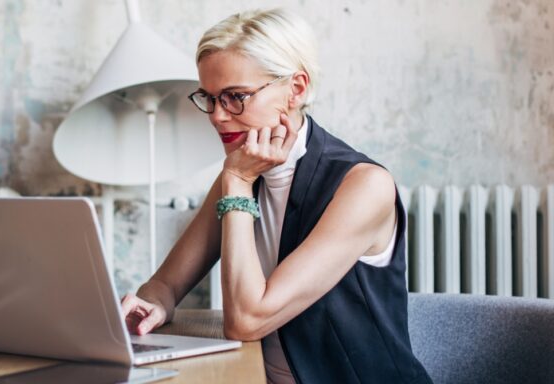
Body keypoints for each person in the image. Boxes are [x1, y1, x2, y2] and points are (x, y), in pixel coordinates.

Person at [120, 8, 432, 384]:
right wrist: (152, 304)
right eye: (209, 98)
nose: (218, 116)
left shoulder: (364, 186)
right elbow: (164, 284)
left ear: (295, 89)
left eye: (236, 97)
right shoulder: (242, 170)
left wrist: (235, 181)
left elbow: (246, 321)